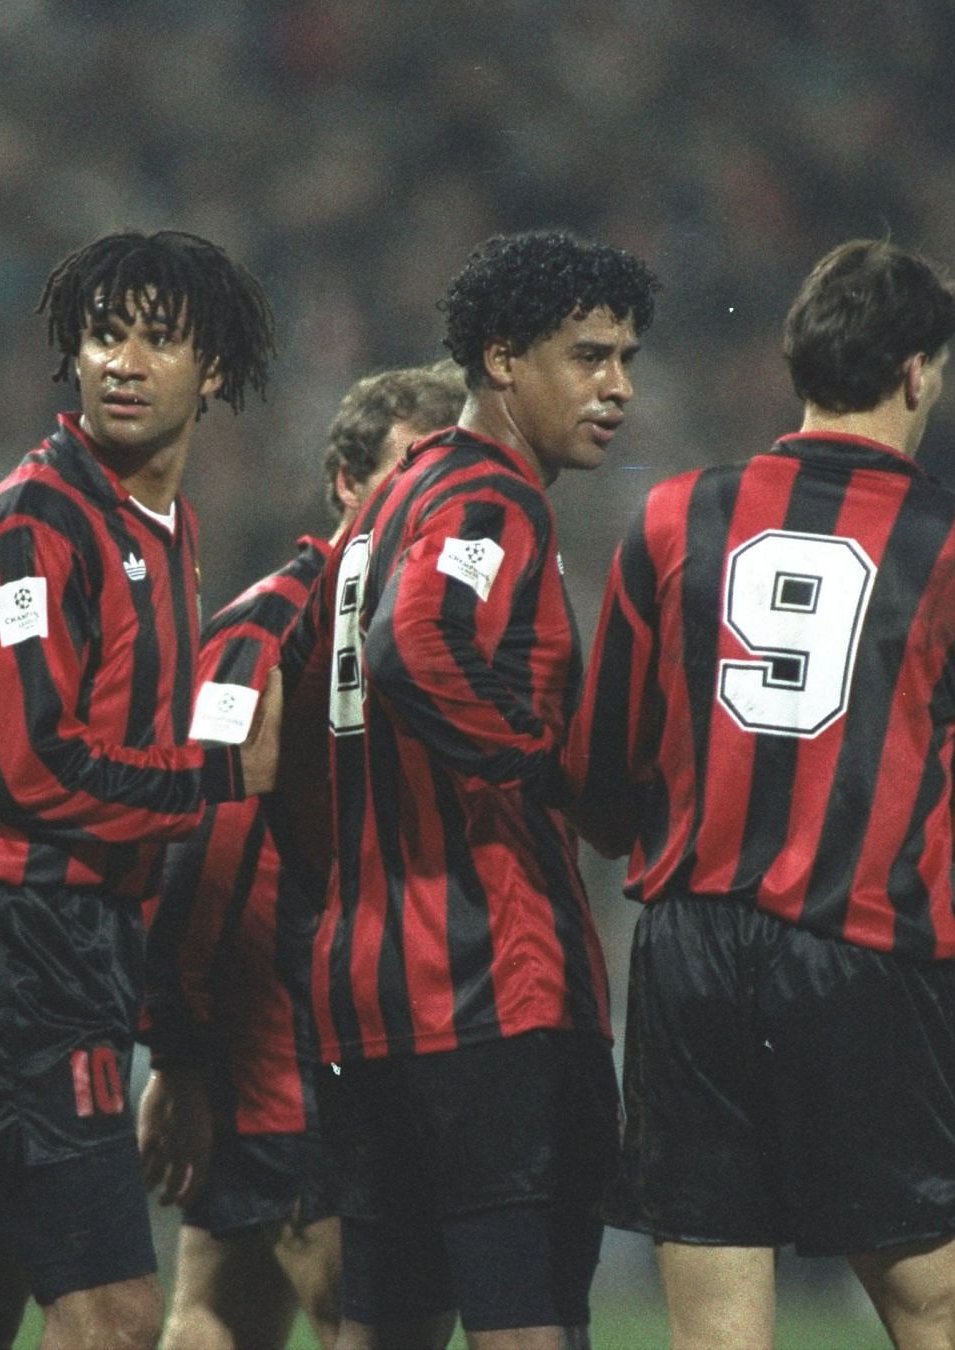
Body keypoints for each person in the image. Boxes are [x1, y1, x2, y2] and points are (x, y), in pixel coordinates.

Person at [568, 238, 955, 1350]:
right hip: (860, 946)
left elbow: (600, 781)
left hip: (687, 954)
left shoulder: (674, 516)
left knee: (720, 1336)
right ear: (919, 372)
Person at [0, 229, 283, 1350]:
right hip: (8, 929)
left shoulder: (162, 524)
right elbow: (35, 771)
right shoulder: (31, 523)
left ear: (213, 371)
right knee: (112, 1311)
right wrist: (218, 777)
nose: (123, 361)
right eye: (106, 334)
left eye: (158, 340)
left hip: (42, 929)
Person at [294, 229, 659, 1349]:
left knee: (387, 1322)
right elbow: (420, 645)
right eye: (588, 357)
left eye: (626, 359)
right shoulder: (491, 501)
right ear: (502, 360)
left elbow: (300, 713)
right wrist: (539, 767)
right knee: (529, 1320)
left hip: (367, 989)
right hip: (486, 982)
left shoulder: (372, 517)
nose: (618, 389)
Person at [137, 363, 467, 1350]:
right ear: (343, 480)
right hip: (295, 1056)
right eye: (406, 468)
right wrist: (183, 1055)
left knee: (218, 1309)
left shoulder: (429, 629)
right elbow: (208, 839)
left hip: (356, 1040)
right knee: (361, 1317)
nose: (424, 497)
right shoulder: (276, 624)